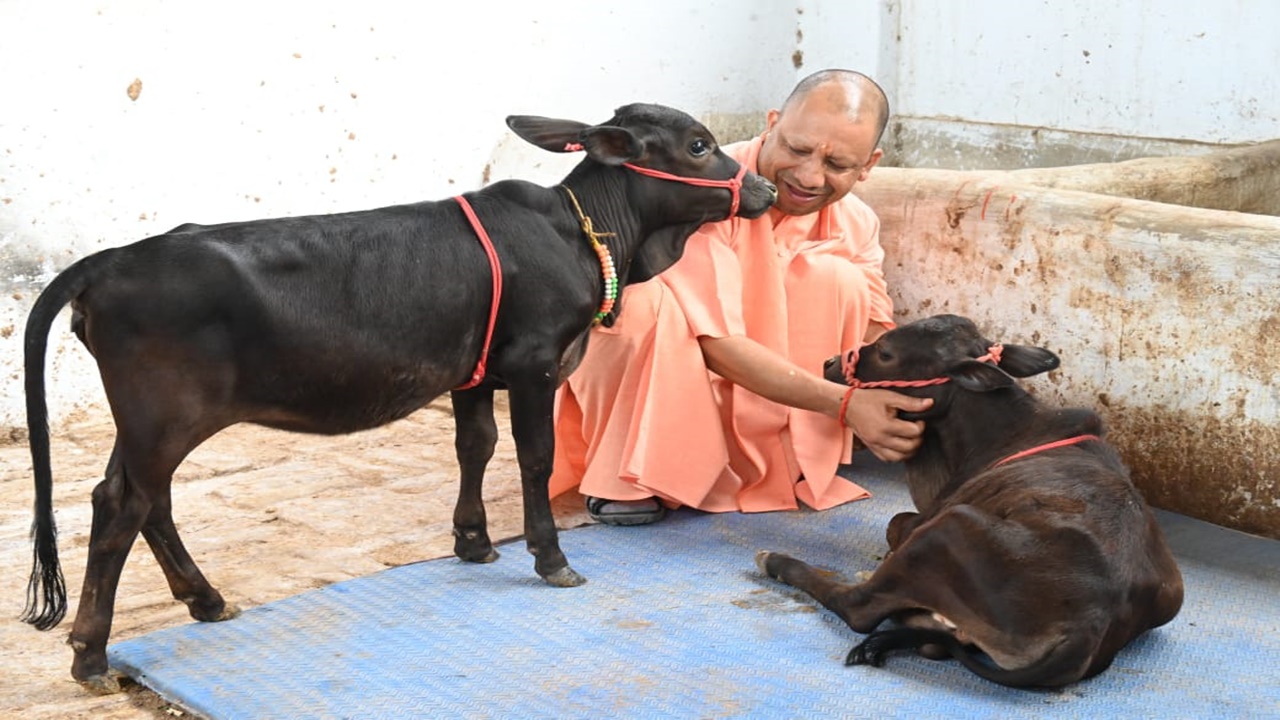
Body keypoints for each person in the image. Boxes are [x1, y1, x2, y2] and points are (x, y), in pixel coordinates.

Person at [549, 69, 932, 525]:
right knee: (641, 305)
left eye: (837, 165)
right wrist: (846, 405)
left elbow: (875, 330)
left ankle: (772, 461)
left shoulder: (856, 220)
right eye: (797, 148)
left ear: (869, 165)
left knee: (838, 278)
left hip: (772, 400)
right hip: (678, 374)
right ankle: (636, 474)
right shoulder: (696, 186)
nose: (809, 176)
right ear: (772, 124)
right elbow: (716, 344)